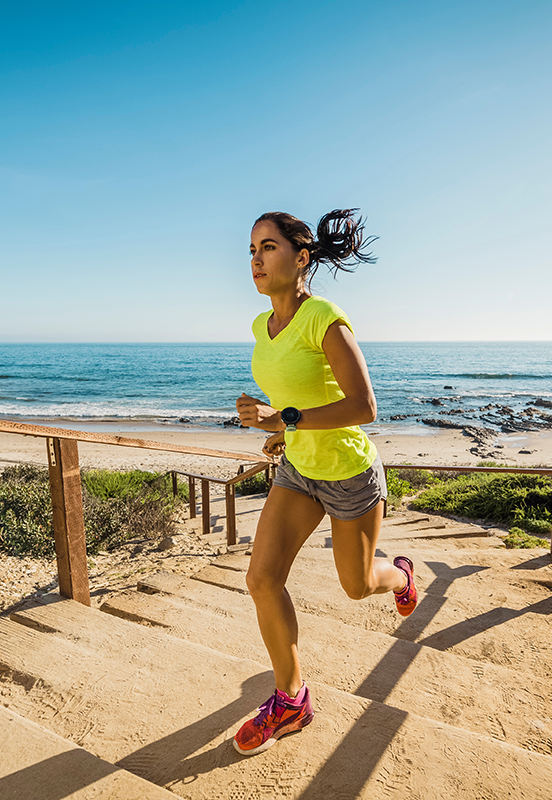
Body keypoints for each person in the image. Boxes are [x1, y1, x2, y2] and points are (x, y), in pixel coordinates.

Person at [231, 209, 419, 756]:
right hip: (297, 470)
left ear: (301, 257)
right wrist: (279, 432)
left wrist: (281, 419)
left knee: (357, 586)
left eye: (268, 247)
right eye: (251, 251)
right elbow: (297, 398)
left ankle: (401, 576)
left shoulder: (325, 318)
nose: (257, 260)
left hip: (349, 477)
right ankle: (291, 700)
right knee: (261, 580)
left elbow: (363, 406)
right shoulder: (259, 327)